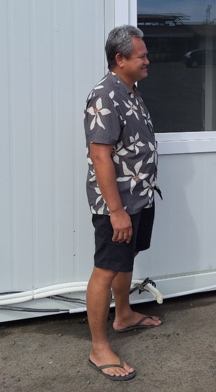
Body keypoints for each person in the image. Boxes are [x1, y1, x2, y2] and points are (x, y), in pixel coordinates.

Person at [84, 25, 163, 382]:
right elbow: (101, 155)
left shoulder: (130, 90)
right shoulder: (105, 95)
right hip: (118, 204)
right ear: (120, 59)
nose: (148, 60)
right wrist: (116, 211)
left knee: (126, 258)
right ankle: (99, 347)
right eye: (141, 56)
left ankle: (124, 315)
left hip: (139, 197)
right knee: (106, 268)